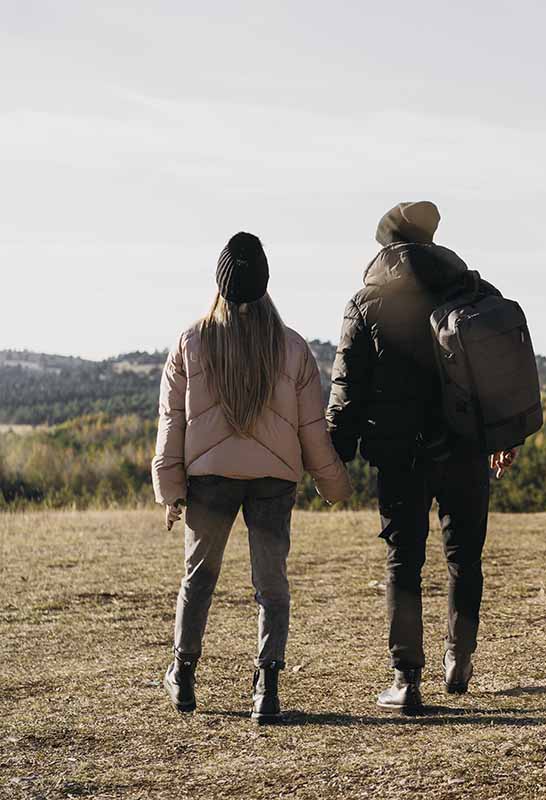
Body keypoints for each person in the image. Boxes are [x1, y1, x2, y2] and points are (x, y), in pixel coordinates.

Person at [152, 232, 352, 723]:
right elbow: (311, 429)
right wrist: (333, 484)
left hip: (210, 481)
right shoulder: (292, 347)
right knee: (272, 585)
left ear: (219, 283)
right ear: (264, 284)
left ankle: (183, 674)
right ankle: (267, 686)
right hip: (273, 483)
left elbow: (171, 422)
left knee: (198, 579)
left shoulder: (191, 342)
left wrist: (172, 489)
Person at [326, 201, 516, 715]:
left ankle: (406, 679)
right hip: (468, 448)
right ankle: (461, 659)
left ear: (386, 245)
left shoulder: (366, 303)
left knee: (403, 562)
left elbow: (347, 389)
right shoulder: (474, 292)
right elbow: (503, 372)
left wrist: (331, 458)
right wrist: (506, 435)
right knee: (464, 556)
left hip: (399, 455)